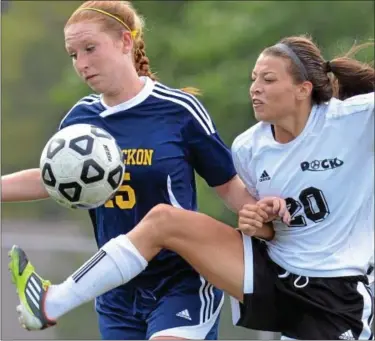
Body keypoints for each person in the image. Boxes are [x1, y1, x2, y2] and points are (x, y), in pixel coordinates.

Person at [9, 33, 375, 340]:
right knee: (164, 220)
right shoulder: (249, 146)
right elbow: (262, 228)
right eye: (253, 78)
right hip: (270, 273)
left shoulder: (356, 120)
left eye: (268, 80)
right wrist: (256, 216)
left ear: (303, 89)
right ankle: (50, 301)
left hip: (334, 293)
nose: (255, 89)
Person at [2, 1, 288, 340]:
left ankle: (54, 300)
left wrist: (267, 223)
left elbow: (227, 185)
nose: (82, 63)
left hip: (181, 280)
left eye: (90, 49)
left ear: (125, 42)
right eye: (73, 54)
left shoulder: (179, 110)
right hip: (115, 291)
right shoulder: (79, 120)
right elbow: (50, 179)